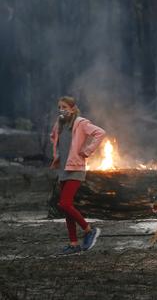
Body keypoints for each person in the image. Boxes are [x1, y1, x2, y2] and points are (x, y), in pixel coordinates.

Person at [50, 96, 106, 255]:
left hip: (76, 168)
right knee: (67, 208)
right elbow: (53, 137)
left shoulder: (80, 123)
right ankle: (73, 243)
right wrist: (56, 156)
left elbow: (100, 133)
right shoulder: (59, 124)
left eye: (65, 107)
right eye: (59, 107)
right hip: (63, 169)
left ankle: (89, 230)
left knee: (64, 204)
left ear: (73, 108)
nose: (61, 110)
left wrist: (87, 150)